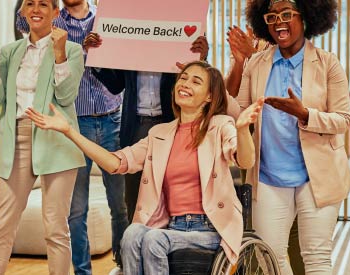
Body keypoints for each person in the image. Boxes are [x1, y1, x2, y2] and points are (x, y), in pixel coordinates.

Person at [27, 61, 265, 274]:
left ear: (210, 97)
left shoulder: (220, 126)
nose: (185, 83)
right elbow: (115, 163)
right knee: (132, 233)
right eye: (183, 77)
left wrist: (243, 130)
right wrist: (69, 131)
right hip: (171, 227)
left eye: (196, 81)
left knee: (152, 240)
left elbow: (245, 160)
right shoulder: (159, 134)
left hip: (209, 229)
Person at [226, 0, 350, 274]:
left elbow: (344, 120)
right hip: (269, 177)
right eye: (271, 17)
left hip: (317, 177)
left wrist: (305, 114)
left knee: (317, 258)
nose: (278, 22)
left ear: (306, 17)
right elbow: (238, 110)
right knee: (270, 257)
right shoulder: (256, 63)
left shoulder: (328, 64)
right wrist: (234, 65)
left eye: (286, 14)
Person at [0, 0, 87, 274]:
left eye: (44, 4)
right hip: (15, 142)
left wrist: (59, 53)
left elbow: (66, 95)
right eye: (30, 4)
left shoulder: (72, 50)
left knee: (56, 229)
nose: (36, 9)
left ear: (55, 12)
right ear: (23, 11)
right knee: (1, 226)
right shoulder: (10, 51)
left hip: (56, 142)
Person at [18, 1, 129, 273]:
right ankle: (82, 271)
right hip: (74, 125)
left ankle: (125, 266)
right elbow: (23, 20)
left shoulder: (106, 16)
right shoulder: (52, 18)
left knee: (121, 204)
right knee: (76, 210)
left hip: (112, 116)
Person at [83, 32, 211, 223]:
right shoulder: (132, 32)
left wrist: (200, 59)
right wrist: (96, 56)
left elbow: (196, 81)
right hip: (136, 125)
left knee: (172, 190)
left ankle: (169, 246)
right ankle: (133, 248)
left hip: (172, 123)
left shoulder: (179, 27)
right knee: (135, 196)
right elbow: (115, 85)